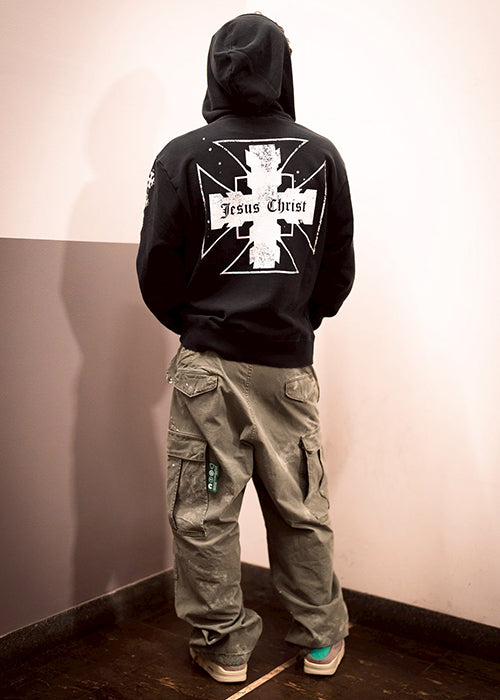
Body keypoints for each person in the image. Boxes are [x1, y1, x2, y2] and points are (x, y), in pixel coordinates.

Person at [137, 12, 354, 684]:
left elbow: (156, 270)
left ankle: (224, 647)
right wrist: (294, 321)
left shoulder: (181, 157)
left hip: (209, 375)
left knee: (204, 510)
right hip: (288, 370)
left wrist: (201, 324)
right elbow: (337, 269)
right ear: (283, 68)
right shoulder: (321, 157)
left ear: (215, 69)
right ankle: (320, 639)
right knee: (300, 508)